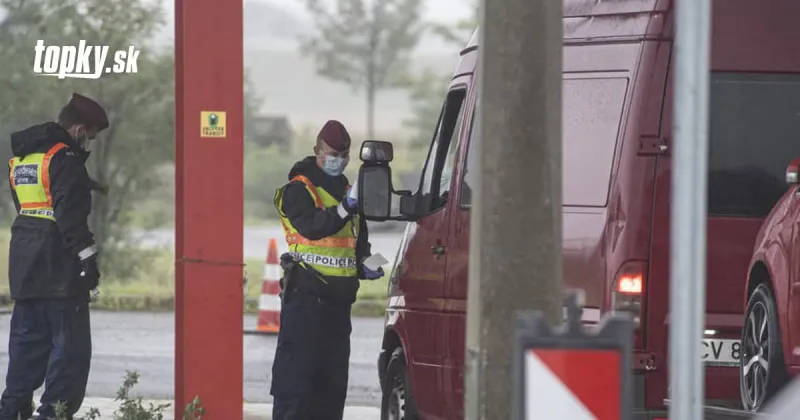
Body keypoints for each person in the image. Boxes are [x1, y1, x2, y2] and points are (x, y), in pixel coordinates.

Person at [0, 93, 106, 420]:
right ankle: (54, 415)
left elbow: (30, 210)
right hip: (60, 272)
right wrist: (88, 261)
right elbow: (69, 216)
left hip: (24, 269)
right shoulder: (66, 160)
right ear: (76, 129)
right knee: (69, 356)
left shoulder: (24, 161)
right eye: (88, 136)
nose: (87, 144)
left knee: (26, 351)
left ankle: (11, 410)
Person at [270, 120, 384, 420]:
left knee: (331, 394)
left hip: (338, 307)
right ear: (317, 151)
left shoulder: (349, 190)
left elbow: (357, 240)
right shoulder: (298, 189)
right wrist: (346, 207)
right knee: (296, 390)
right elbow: (312, 228)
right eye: (332, 153)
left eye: (343, 155)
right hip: (305, 304)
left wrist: (365, 263)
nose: (338, 160)